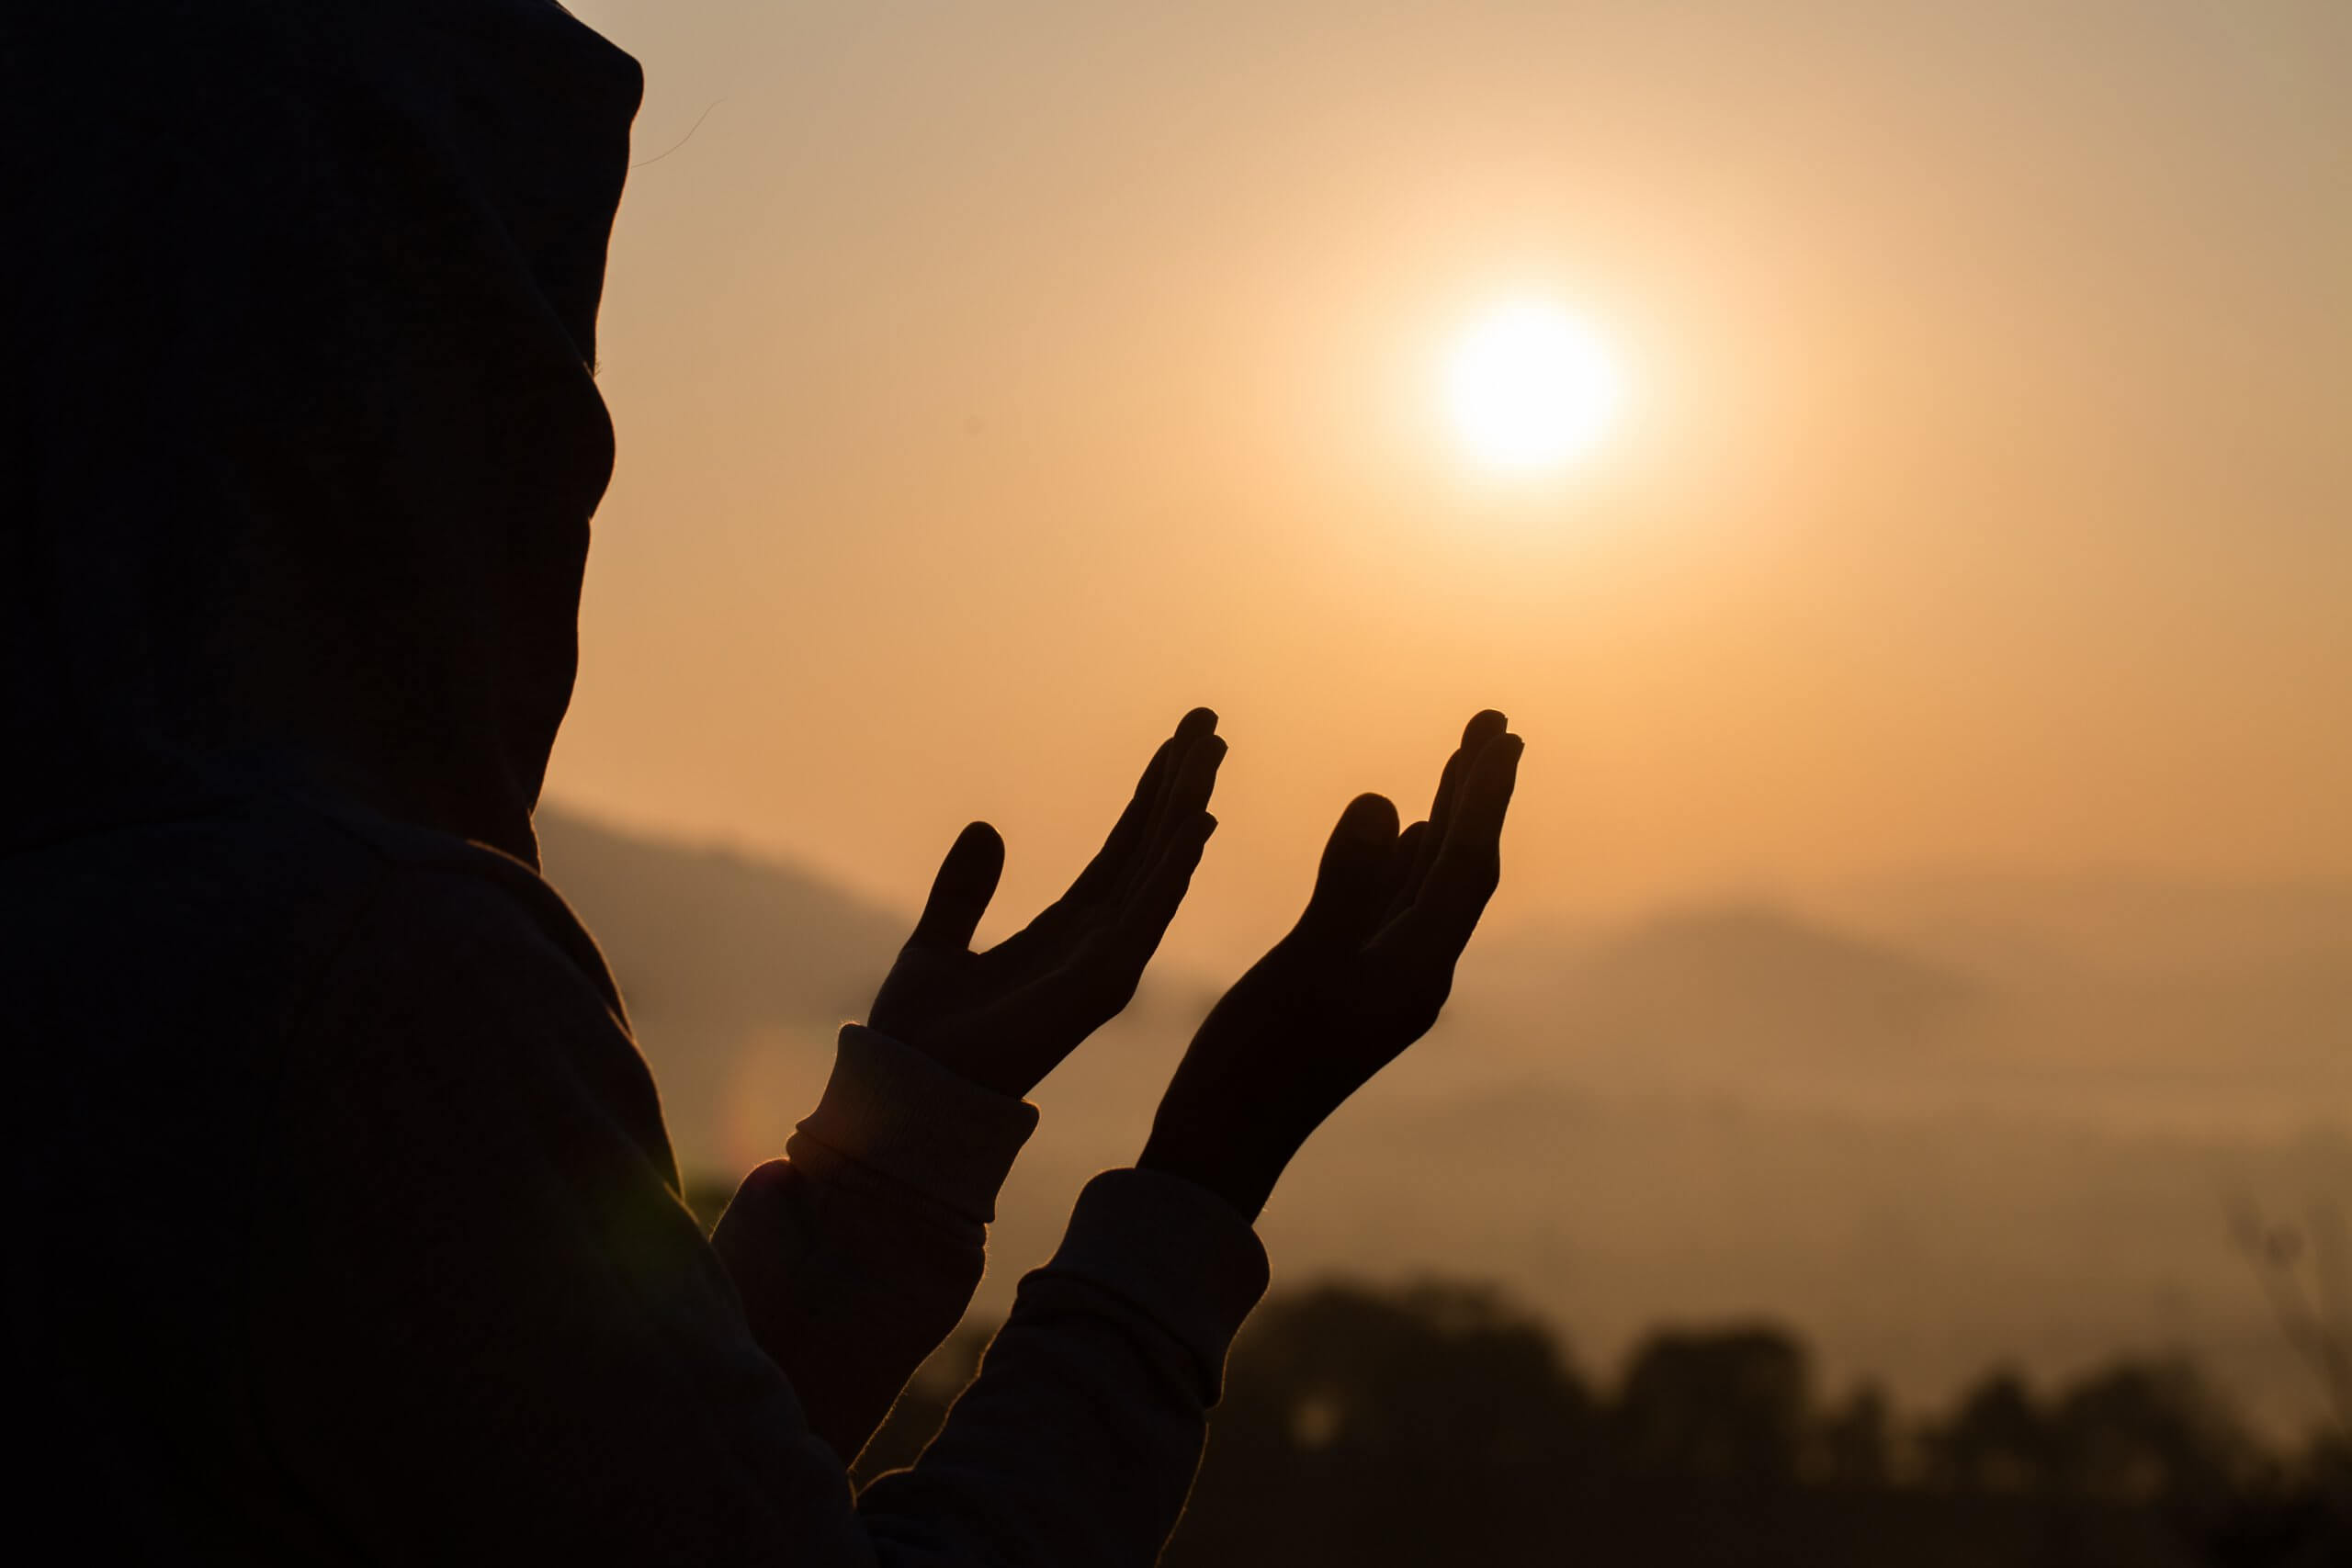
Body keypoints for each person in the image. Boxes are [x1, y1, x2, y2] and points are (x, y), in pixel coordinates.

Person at [0, 2, 1521, 1562]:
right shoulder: (359, 970)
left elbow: (571, 1496)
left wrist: (908, 1142)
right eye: (527, 406)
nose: (566, 500)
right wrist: (1211, 1164)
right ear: (363, 424)